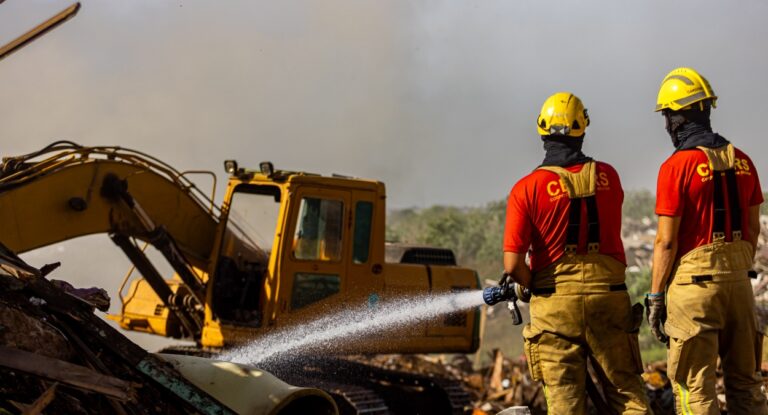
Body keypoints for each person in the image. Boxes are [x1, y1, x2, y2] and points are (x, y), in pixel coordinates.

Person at [503, 92, 650, 414]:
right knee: (627, 394)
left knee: (564, 403)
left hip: (554, 306)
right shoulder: (609, 176)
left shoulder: (526, 188)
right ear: (582, 129)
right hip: (608, 298)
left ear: (542, 131)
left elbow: (512, 264)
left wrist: (531, 285)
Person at [646, 67, 768, 414]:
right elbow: (753, 230)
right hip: (740, 287)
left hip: (694, 291)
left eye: (668, 116)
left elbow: (666, 243)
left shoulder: (676, 167)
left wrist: (656, 297)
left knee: (693, 390)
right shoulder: (743, 161)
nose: (667, 124)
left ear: (678, 118)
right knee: (746, 384)